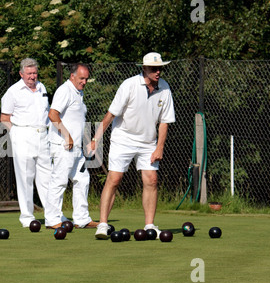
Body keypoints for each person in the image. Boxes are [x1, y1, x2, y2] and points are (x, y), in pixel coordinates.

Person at [91, 52, 176, 239]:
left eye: (160, 68)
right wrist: (96, 139)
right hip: (123, 138)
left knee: (152, 180)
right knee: (114, 179)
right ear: (144, 69)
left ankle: (149, 226)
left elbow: (164, 122)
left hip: (148, 142)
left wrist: (159, 147)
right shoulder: (129, 85)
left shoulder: (165, 88)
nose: (158, 72)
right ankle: (103, 225)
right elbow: (111, 114)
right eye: (154, 68)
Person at [0, 58, 54, 227]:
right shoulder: (13, 91)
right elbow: (4, 118)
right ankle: (27, 217)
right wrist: (15, 134)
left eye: (35, 73)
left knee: (48, 177)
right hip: (23, 134)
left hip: (42, 135)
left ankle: (52, 215)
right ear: (21, 74)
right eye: (29, 73)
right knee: (25, 177)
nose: (32, 76)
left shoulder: (42, 88)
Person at [44, 64, 99, 229]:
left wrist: (87, 140)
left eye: (86, 79)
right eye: (81, 78)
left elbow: (78, 121)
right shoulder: (65, 90)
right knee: (59, 181)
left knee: (82, 180)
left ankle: (82, 219)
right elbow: (53, 114)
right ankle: (52, 220)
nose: (84, 82)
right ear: (72, 76)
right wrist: (66, 136)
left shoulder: (79, 93)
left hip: (76, 148)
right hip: (63, 145)